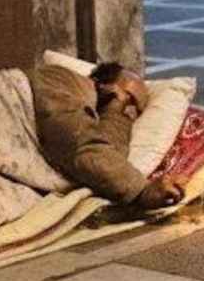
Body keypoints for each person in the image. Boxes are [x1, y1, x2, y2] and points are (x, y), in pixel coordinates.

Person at [27, 62, 184, 210]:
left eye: (135, 110)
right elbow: (82, 147)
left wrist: (118, 113)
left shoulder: (98, 118)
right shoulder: (59, 79)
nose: (129, 111)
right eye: (129, 97)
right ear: (102, 84)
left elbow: (106, 155)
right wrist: (141, 190)